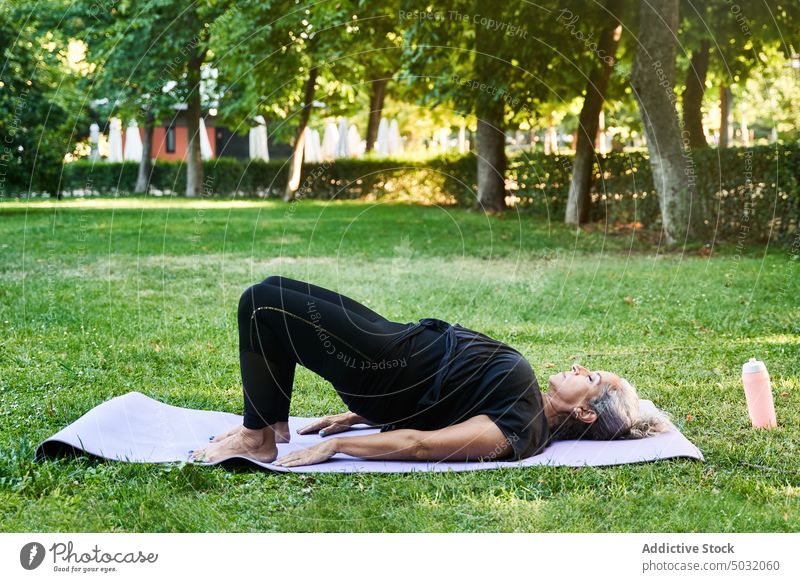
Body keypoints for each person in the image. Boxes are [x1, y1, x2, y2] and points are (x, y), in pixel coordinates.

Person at [189, 276, 673, 467]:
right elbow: (452, 405)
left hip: (382, 367)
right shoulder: (529, 410)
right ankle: (272, 420)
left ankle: (258, 438)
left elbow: (422, 443)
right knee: (271, 289)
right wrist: (354, 417)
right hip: (396, 343)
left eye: (591, 379)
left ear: (586, 414)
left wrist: (337, 446)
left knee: (260, 304)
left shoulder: (520, 431)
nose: (579, 367)